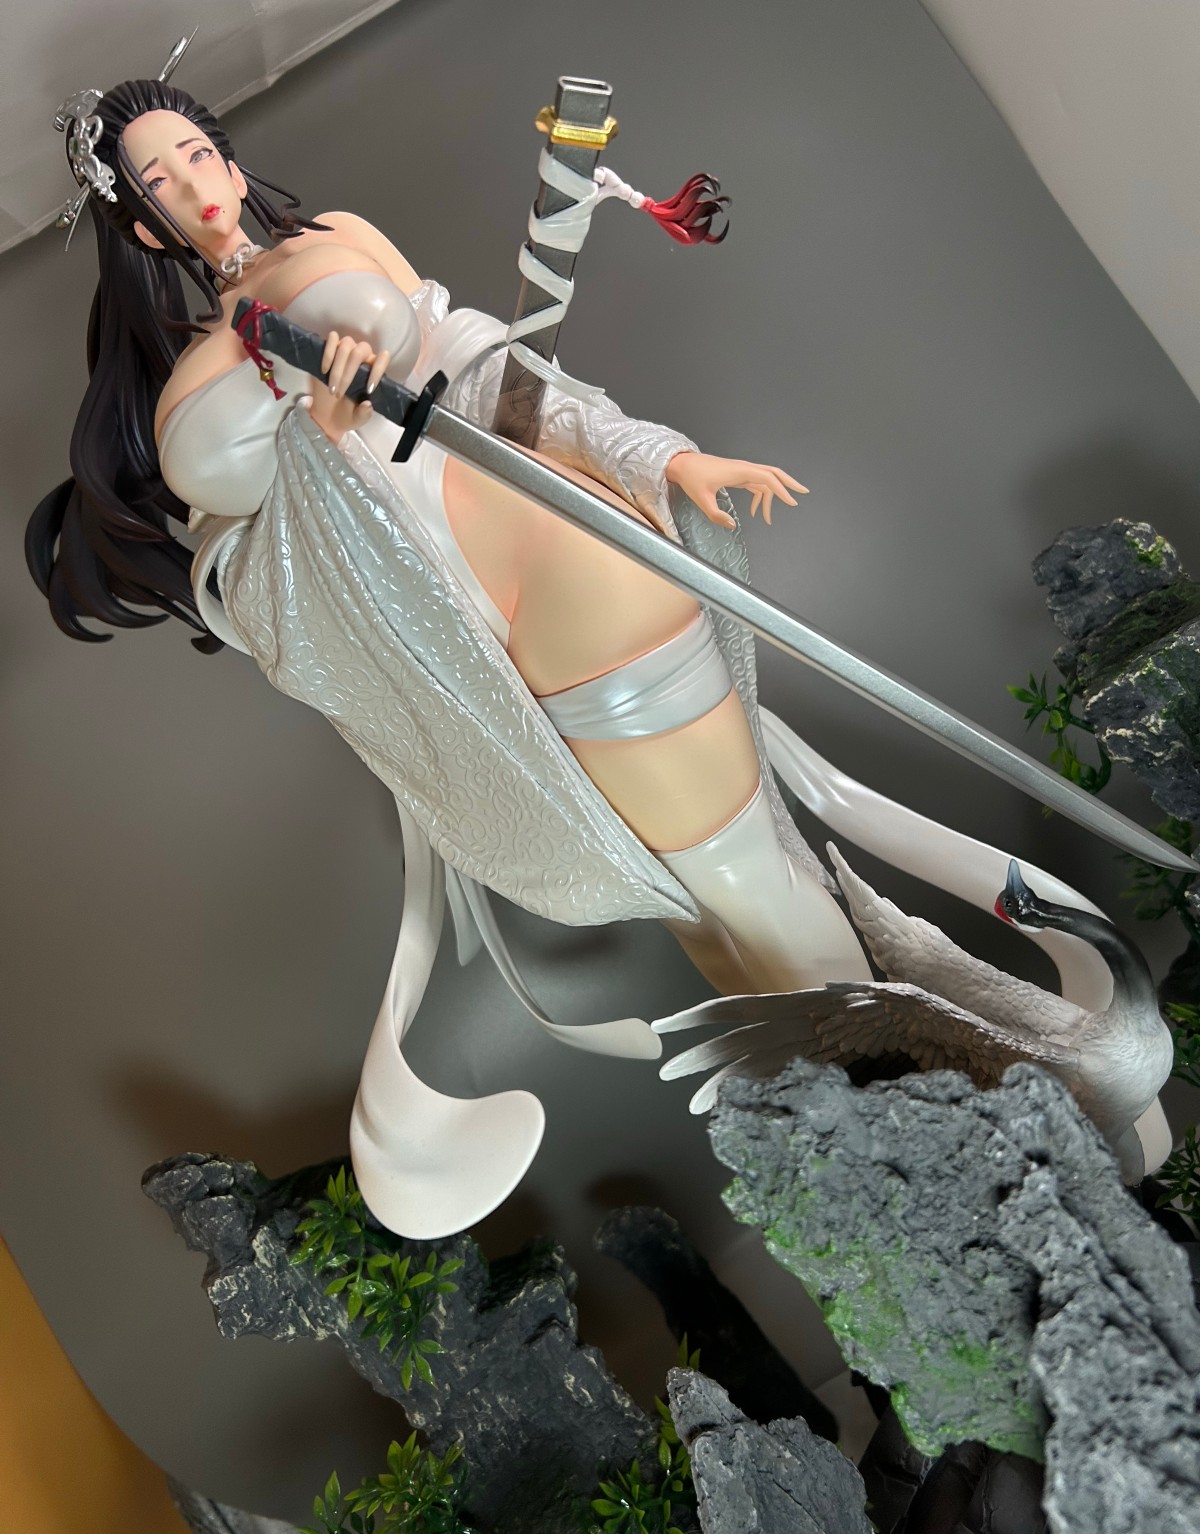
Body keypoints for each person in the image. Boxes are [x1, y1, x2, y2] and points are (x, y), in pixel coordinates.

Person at [31, 77, 1140, 1236]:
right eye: (158, 178)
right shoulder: (198, 382)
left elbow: (495, 381)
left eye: (198, 152)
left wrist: (660, 459)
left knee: (755, 891)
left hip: (564, 560)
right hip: (480, 654)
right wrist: (310, 433)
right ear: (138, 222)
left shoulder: (338, 240)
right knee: (715, 915)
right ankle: (901, 1159)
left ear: (225, 153)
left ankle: (956, 1152)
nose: (194, 185)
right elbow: (260, 571)